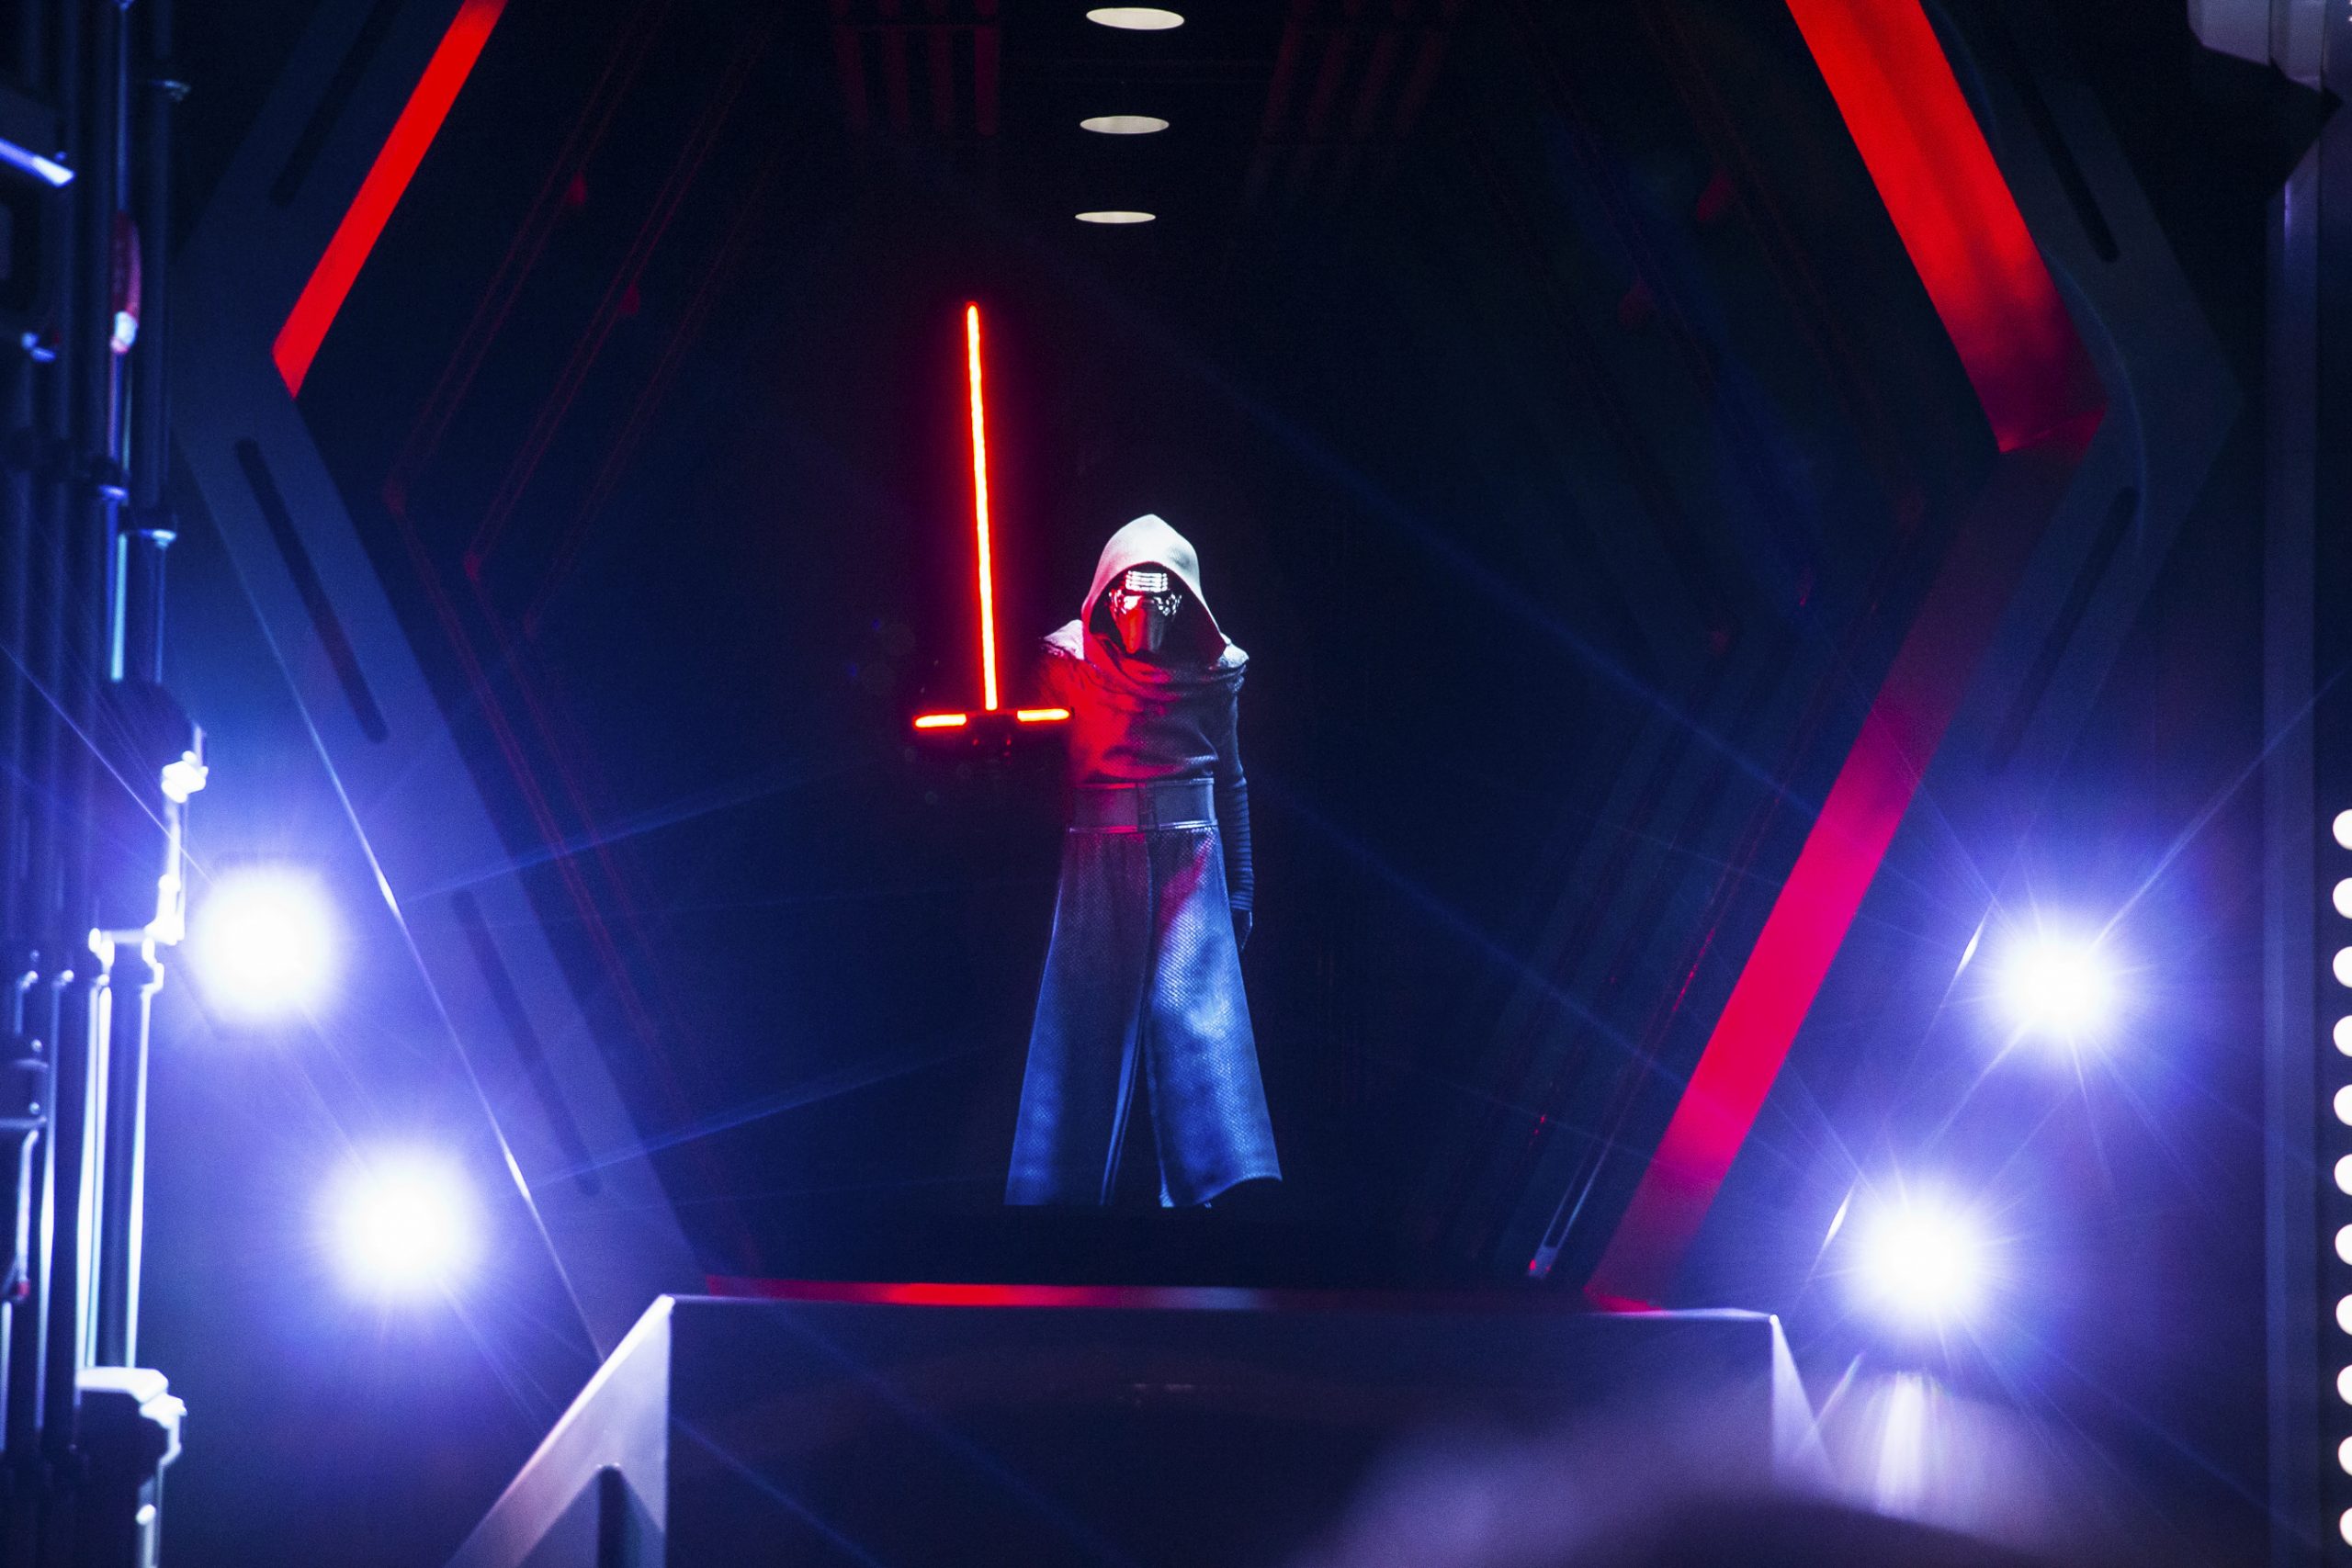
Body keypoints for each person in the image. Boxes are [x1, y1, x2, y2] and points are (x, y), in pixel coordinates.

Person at [1004, 513, 1281, 1207]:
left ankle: (1215, 1189)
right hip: (1097, 862)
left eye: (1161, 597)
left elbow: (1230, 778)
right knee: (1084, 1034)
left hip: (1191, 865)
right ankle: (1058, 1195)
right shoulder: (1070, 664)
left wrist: (1242, 885)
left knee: (1195, 1029)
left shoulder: (1215, 673)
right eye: (1129, 595)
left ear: (1183, 602)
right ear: (1108, 596)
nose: (1143, 613)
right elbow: (1033, 767)